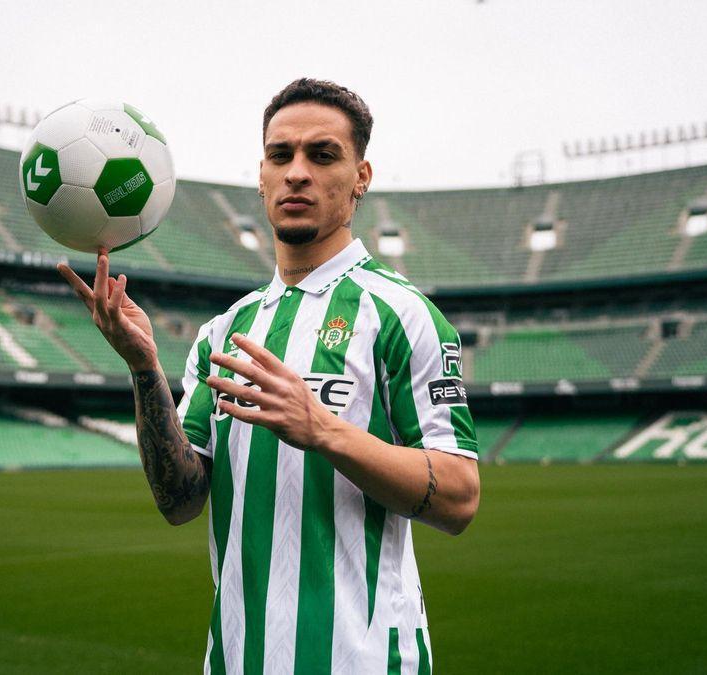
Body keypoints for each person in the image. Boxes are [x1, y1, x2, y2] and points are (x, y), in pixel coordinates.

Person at [58, 78, 480, 675]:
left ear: (362, 176)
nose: (297, 172)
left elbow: (460, 497)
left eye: (322, 154)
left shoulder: (402, 316)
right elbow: (180, 501)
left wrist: (324, 430)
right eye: (280, 155)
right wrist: (144, 367)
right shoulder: (224, 331)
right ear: (261, 175)